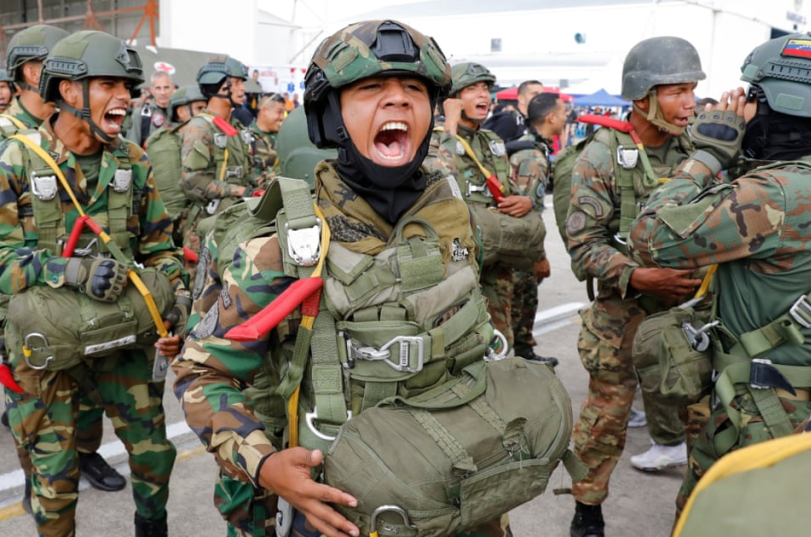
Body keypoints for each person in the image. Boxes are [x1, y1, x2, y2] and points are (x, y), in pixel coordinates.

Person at [173, 21, 564, 537]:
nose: (398, 102)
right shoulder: (284, 244)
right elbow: (202, 375)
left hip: (464, 489)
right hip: (350, 507)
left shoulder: (456, 216)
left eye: (415, 90)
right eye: (370, 89)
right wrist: (265, 466)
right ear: (331, 117)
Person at [0, 30, 187, 537]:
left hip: (125, 341)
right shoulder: (15, 159)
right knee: (54, 479)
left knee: (155, 456)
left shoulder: (132, 161)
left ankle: (151, 527)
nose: (125, 98)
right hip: (48, 350)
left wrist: (172, 309)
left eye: (127, 87)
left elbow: (161, 249)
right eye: (109, 84)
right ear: (68, 91)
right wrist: (66, 270)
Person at [628, 31, 811, 515]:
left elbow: (651, 237)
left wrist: (707, 154)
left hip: (763, 413)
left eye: (749, 100)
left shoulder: (775, 193)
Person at [0, 24, 127, 497]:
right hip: (26, 301)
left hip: (86, 300)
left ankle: (86, 455)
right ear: (30, 72)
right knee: (36, 421)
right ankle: (39, 480)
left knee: (86, 400)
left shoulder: (83, 128)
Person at [565, 36, 705, 537]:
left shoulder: (702, 153)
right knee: (605, 419)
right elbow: (583, 245)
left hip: (689, 313)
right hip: (621, 313)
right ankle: (587, 510)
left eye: (693, 90)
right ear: (644, 95)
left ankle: (697, 515)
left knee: (703, 419)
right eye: (678, 91)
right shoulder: (602, 156)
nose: (691, 102)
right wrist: (641, 276)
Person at [426, 62, 544, 373]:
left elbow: (501, 189)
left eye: (485, 89)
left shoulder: (491, 140)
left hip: (494, 252)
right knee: (457, 337)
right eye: (472, 89)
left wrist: (523, 200)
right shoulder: (435, 138)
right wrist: (449, 124)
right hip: (455, 255)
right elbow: (440, 180)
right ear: (451, 98)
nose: (483, 95)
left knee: (499, 337)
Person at [178, 55, 267, 253]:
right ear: (217, 85)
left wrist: (267, 185)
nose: (242, 88)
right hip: (205, 226)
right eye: (236, 83)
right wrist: (238, 191)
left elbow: (248, 170)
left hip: (234, 222)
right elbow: (191, 181)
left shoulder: (234, 127)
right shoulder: (200, 127)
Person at [509, 91, 567, 365]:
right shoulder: (533, 156)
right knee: (523, 299)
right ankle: (522, 357)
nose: (566, 118)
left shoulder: (532, 147)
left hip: (519, 244)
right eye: (564, 113)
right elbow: (527, 212)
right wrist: (539, 256)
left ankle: (523, 352)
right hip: (521, 247)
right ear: (551, 117)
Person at [143, 85, 207, 238]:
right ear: (181, 112)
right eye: (199, 109)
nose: (205, 114)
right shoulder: (165, 143)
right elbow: (174, 200)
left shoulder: (186, 136)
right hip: (177, 225)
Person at [123, 69, 173, 146]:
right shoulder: (141, 114)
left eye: (166, 87)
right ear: (152, 90)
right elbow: (132, 148)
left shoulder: (179, 113)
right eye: (158, 88)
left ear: (172, 89)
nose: (162, 92)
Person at [249, 93, 286, 177]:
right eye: (279, 112)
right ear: (264, 111)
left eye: (283, 113)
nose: (282, 117)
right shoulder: (247, 139)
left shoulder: (283, 137)